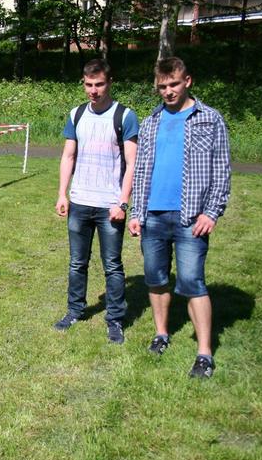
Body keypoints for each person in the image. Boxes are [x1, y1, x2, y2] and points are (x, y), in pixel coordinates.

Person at [128, 57, 231, 379]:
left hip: (191, 218)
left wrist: (211, 212)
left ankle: (204, 353)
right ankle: (161, 334)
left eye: (174, 84)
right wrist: (137, 212)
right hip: (153, 217)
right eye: (162, 86)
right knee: (156, 279)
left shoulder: (209, 119)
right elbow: (141, 171)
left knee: (192, 282)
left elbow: (222, 170)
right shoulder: (151, 122)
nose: (168, 91)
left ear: (188, 81)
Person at [54, 58, 139, 344]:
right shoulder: (76, 114)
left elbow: (132, 163)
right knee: (77, 263)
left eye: (99, 84)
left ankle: (115, 320)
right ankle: (74, 311)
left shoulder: (125, 116)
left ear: (109, 83)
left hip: (109, 206)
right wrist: (62, 193)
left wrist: (123, 202)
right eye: (89, 84)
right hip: (79, 202)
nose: (93, 90)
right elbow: (68, 156)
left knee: (112, 265)